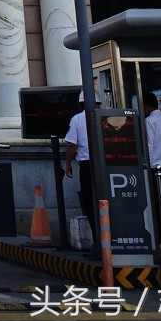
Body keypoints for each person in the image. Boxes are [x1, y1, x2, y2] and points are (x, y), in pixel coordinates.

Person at [63, 94, 94, 239]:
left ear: (80, 105)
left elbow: (71, 145)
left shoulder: (77, 119)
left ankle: (97, 237)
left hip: (87, 165)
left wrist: (68, 164)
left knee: (89, 201)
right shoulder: (104, 117)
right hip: (104, 165)